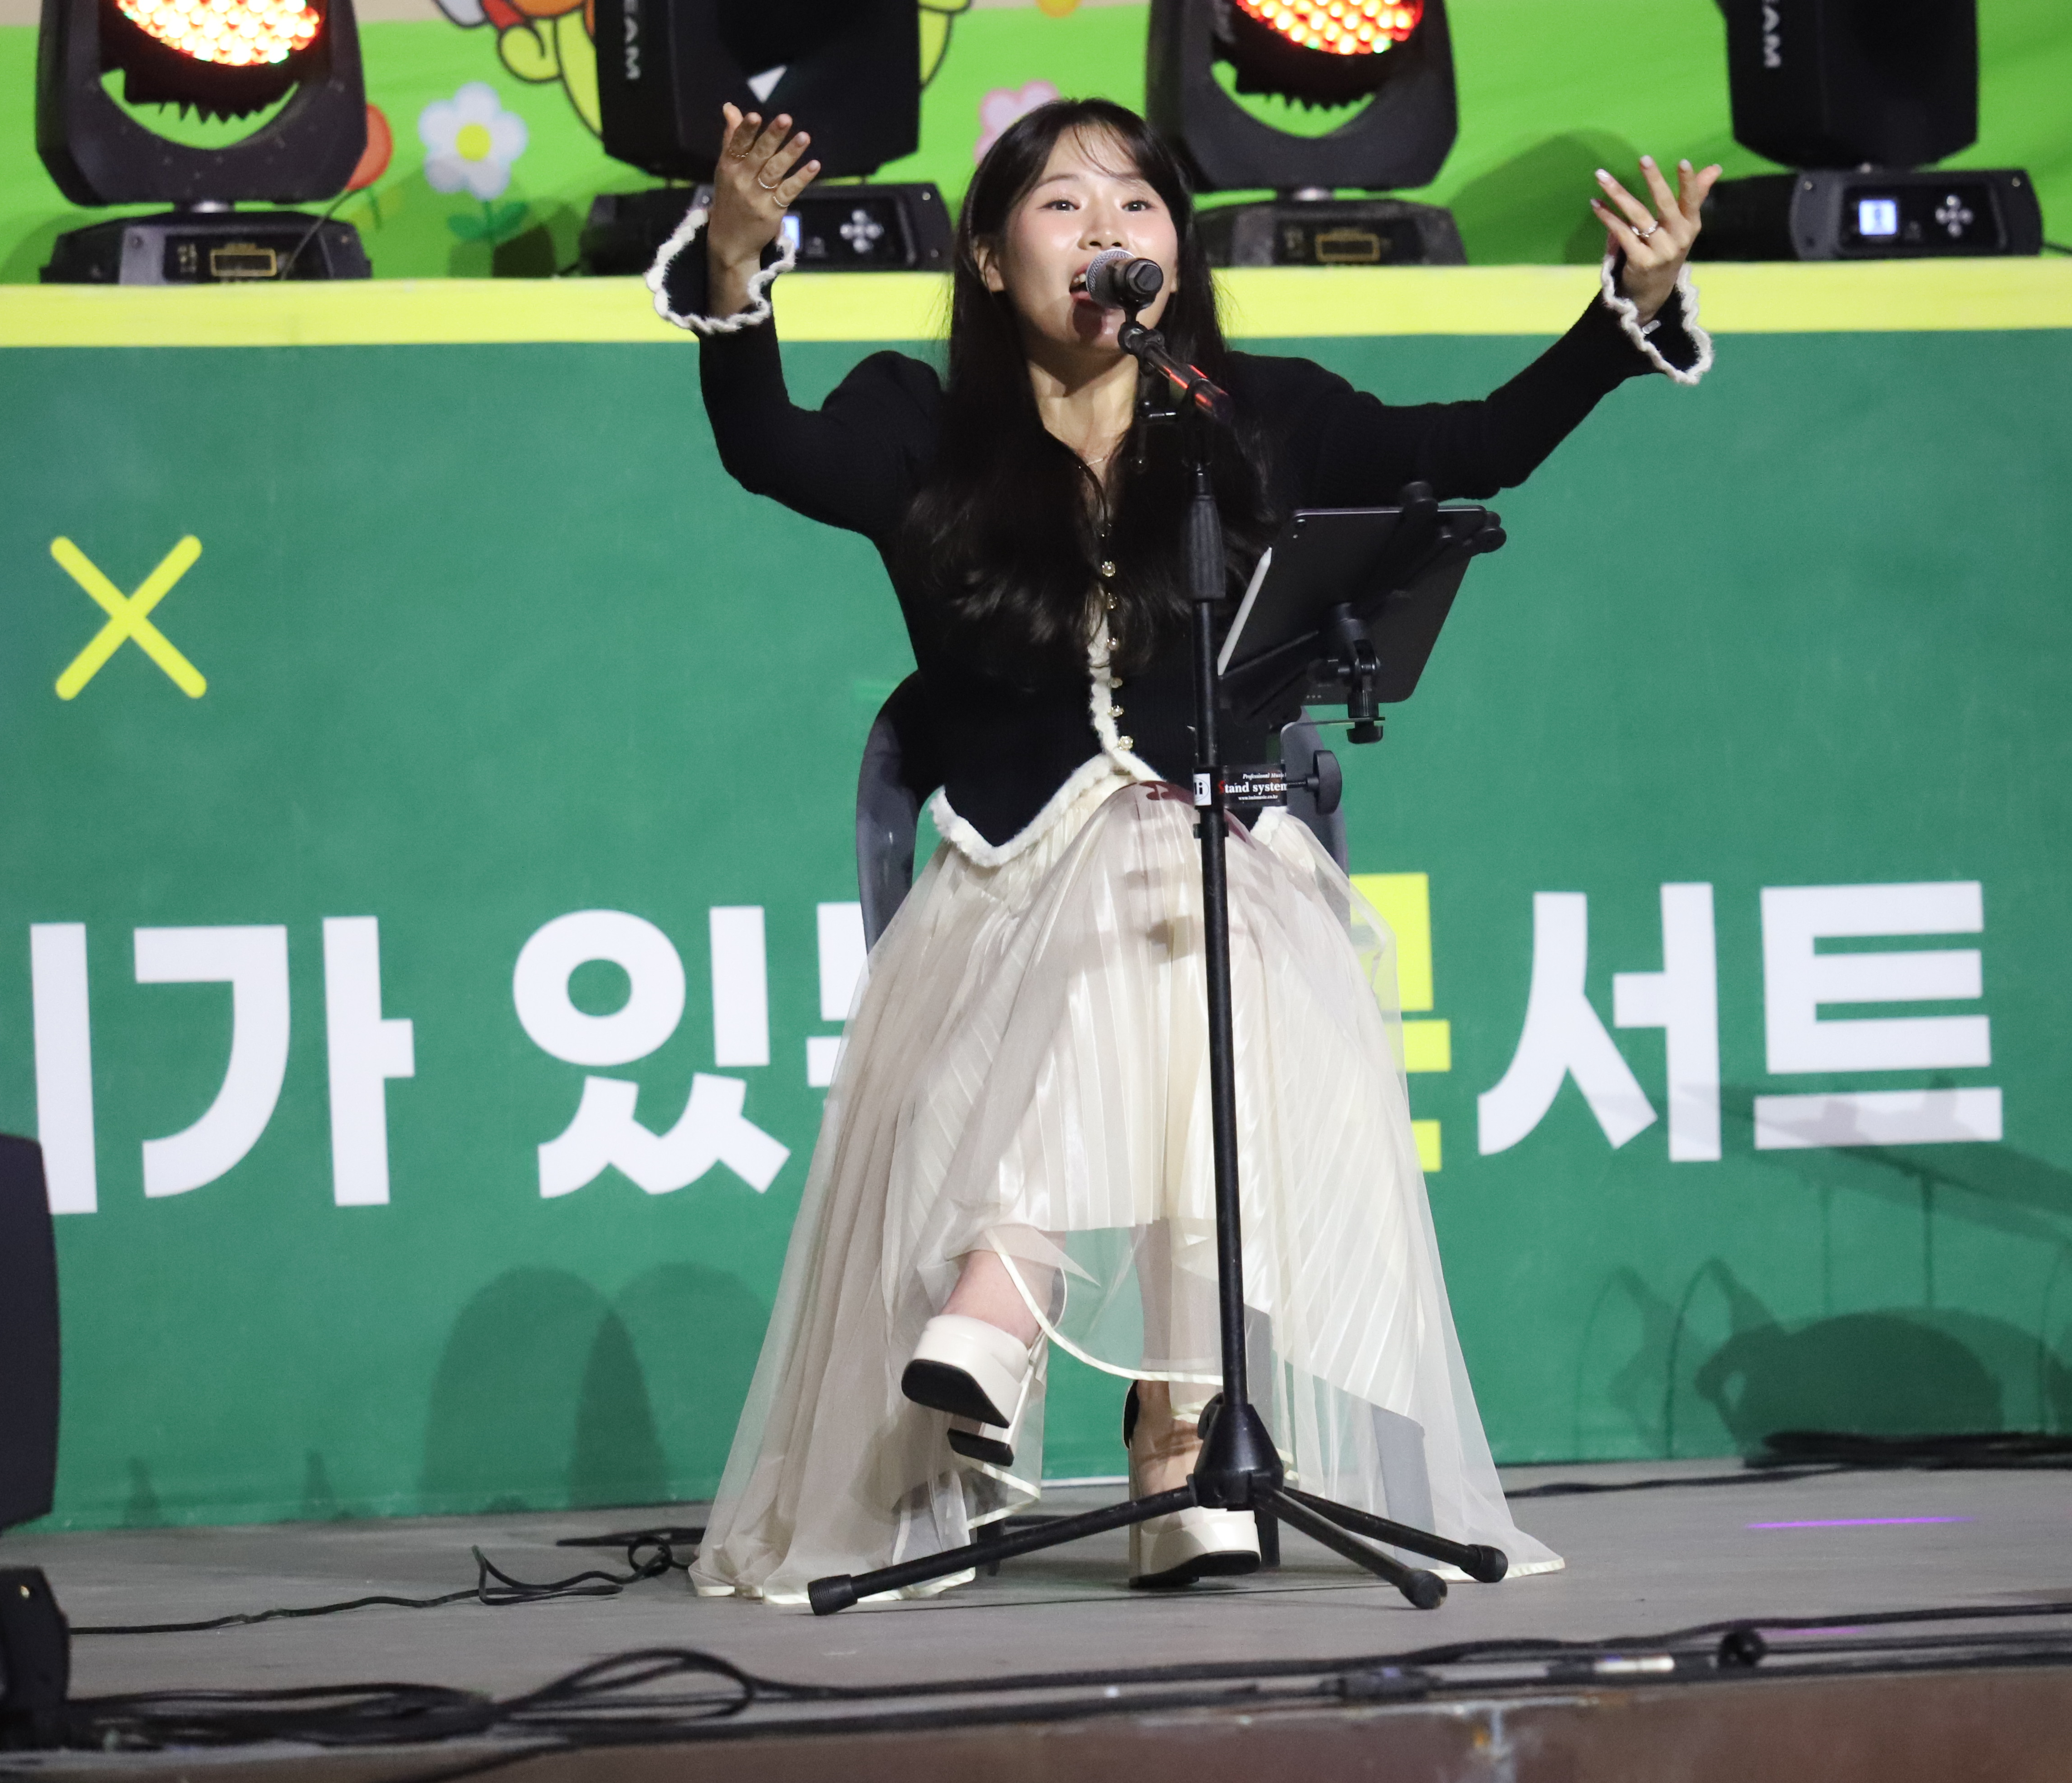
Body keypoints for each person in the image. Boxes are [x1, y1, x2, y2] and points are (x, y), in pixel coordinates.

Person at [652, 95, 1716, 1605]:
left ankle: (1043, 1323)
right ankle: (1162, 1417)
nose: (1107, 232)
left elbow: (1473, 445)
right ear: (989, 257)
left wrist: (1631, 314)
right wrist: (735, 270)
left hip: (1218, 875)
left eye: (1137, 206)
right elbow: (766, 447)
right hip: (1006, 897)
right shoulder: (918, 421)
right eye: (1064, 206)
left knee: (1194, 916)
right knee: (1161, 921)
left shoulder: (1246, 415)